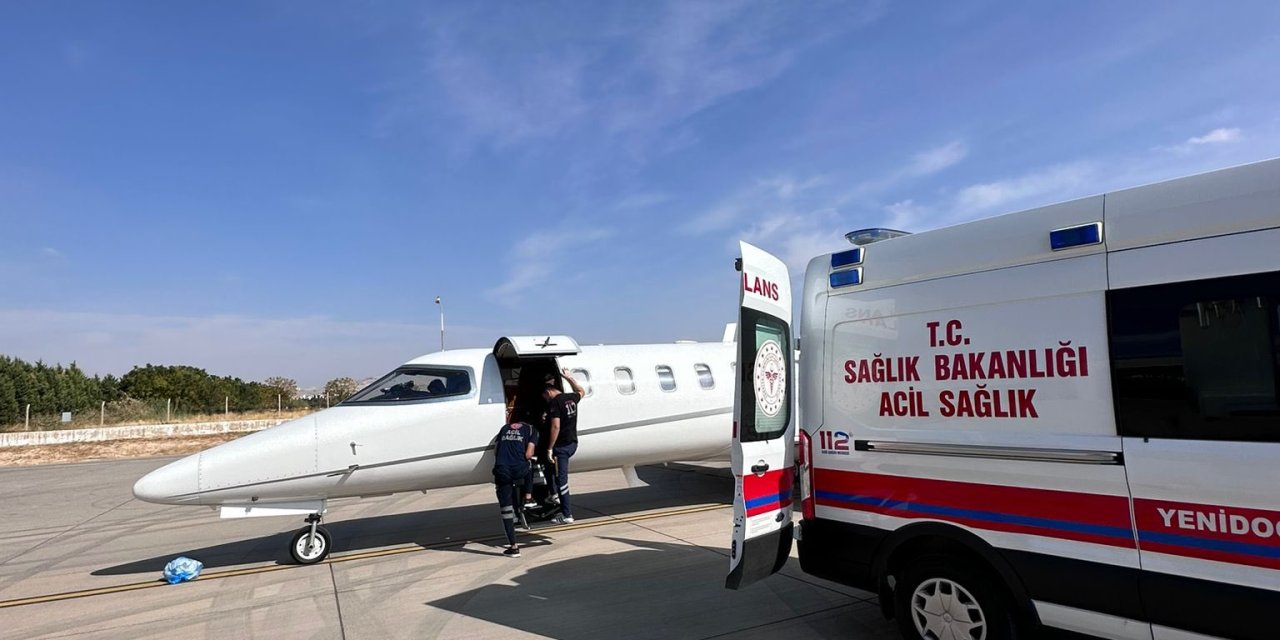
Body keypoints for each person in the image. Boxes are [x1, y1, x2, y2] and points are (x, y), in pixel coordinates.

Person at [542, 368, 585, 524]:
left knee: (562, 480)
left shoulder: (554, 403)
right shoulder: (571, 398)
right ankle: (554, 494)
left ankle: (567, 514)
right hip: (573, 442)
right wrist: (569, 378)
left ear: (548, 392)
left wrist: (549, 448)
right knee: (549, 467)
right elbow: (581, 391)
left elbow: (555, 427)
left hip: (561, 447)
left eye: (544, 397)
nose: (545, 399)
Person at [492, 415, 538, 557]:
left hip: (502, 469)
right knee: (529, 465)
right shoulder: (531, 430)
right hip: (518, 469)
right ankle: (529, 497)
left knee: (506, 510)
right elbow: (529, 454)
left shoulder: (504, 428)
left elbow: (496, 450)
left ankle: (514, 547)